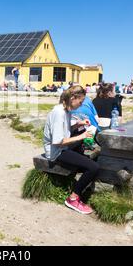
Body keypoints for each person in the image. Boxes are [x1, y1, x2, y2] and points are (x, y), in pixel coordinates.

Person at [43, 85, 99, 215]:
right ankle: (73, 198)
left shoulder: (64, 111)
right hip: (56, 153)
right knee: (93, 167)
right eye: (80, 102)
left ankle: (78, 187)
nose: (80, 105)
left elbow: (64, 130)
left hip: (62, 148)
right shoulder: (59, 113)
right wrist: (82, 136)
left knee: (88, 157)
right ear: (73, 98)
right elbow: (57, 141)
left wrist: (78, 124)